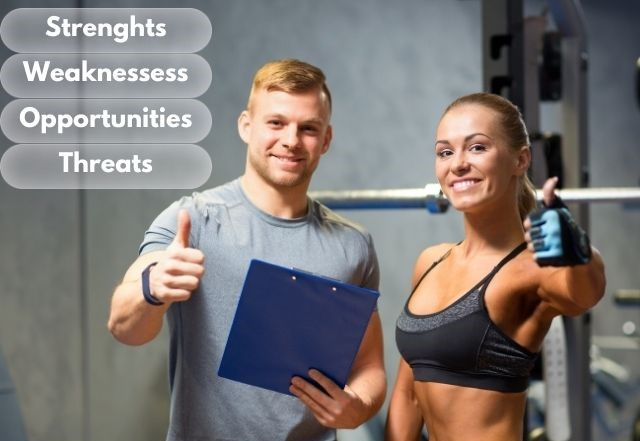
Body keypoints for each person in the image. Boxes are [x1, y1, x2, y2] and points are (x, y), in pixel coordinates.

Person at [108, 59, 386, 441]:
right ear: (246, 126)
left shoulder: (353, 245)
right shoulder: (192, 220)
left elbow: (369, 365)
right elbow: (124, 327)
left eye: (308, 128)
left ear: (326, 139)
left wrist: (358, 405)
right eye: (276, 123)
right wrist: (150, 288)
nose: (291, 140)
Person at [385, 92, 605, 441]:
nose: (457, 164)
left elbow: (584, 293)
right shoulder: (431, 261)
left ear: (521, 159)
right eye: (445, 152)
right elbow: (408, 394)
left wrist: (580, 251)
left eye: (476, 148)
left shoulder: (531, 269)